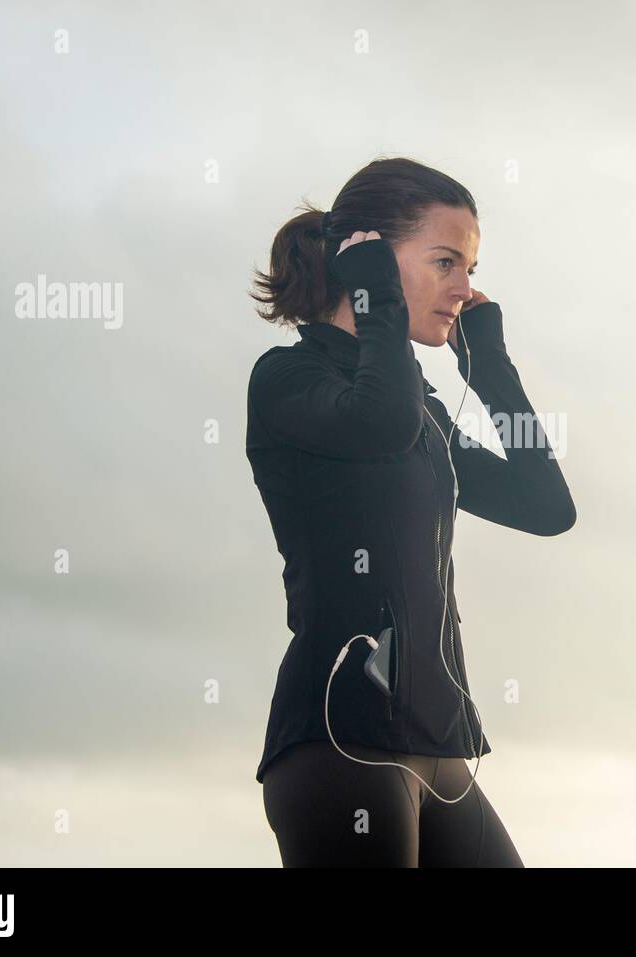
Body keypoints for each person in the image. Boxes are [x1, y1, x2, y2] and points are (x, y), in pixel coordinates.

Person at [245, 156, 576, 866]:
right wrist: (378, 304)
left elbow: (544, 503)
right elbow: (379, 423)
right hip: (341, 741)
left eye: (470, 265)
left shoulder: (419, 407)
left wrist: (488, 365)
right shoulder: (289, 379)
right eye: (446, 261)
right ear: (366, 261)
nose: (465, 287)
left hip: (440, 747)